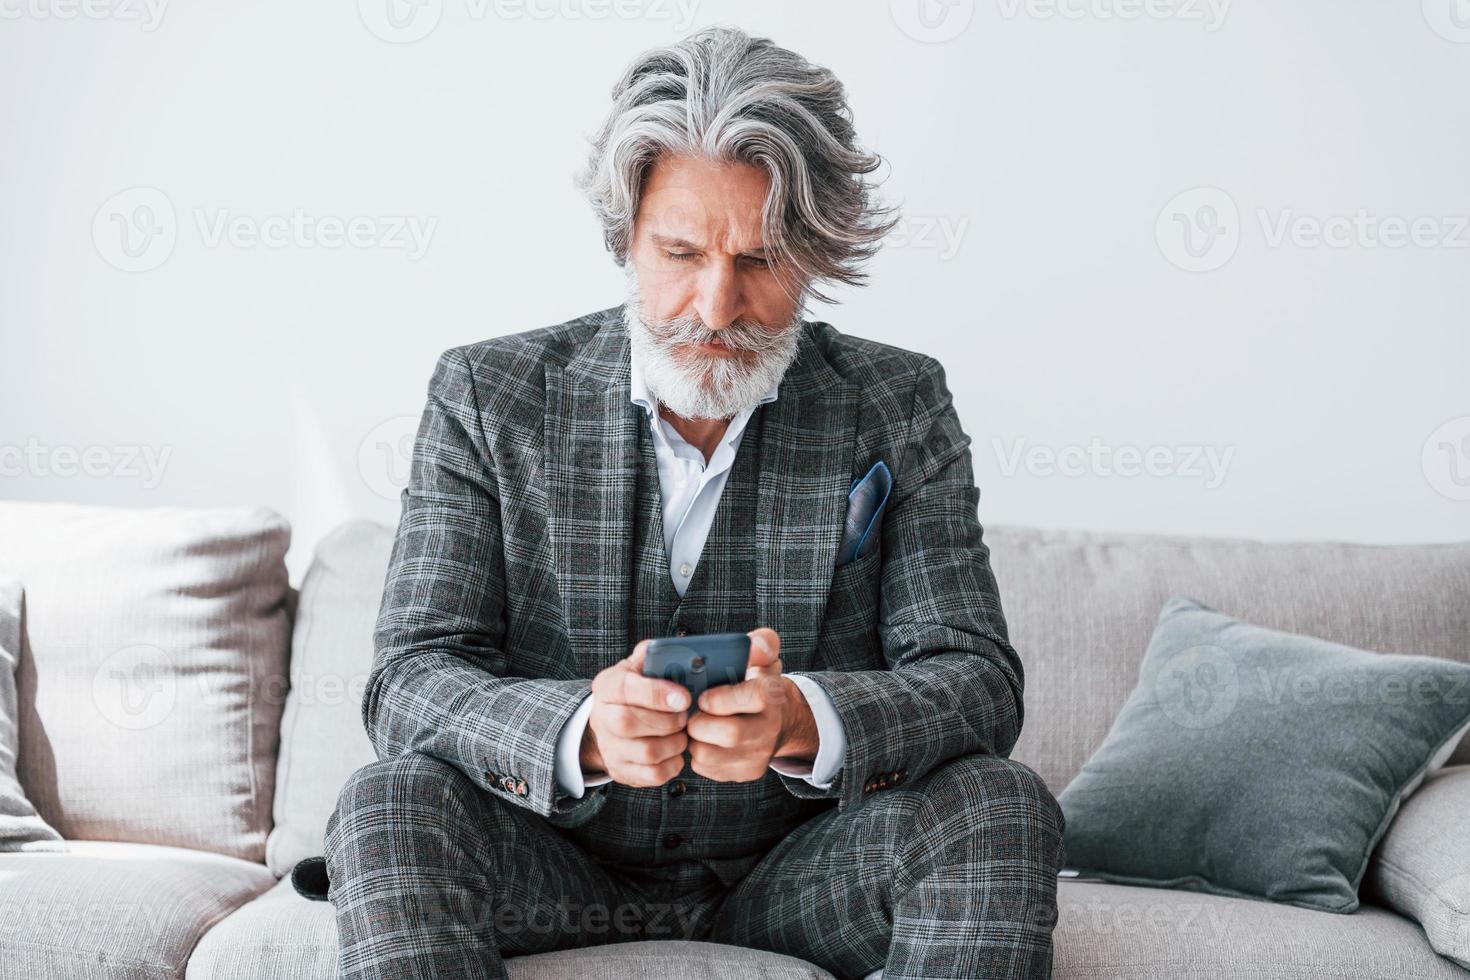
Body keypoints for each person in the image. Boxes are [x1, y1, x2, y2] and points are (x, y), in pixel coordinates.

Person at [320, 24, 1065, 980]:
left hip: (800, 873)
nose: (715, 308)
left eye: (760, 262)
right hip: (551, 864)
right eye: (679, 252)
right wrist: (577, 733)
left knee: (1000, 801)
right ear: (625, 238)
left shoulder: (898, 402)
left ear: (816, 254)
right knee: (388, 801)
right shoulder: (487, 393)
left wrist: (804, 720)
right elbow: (412, 679)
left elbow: (976, 681)